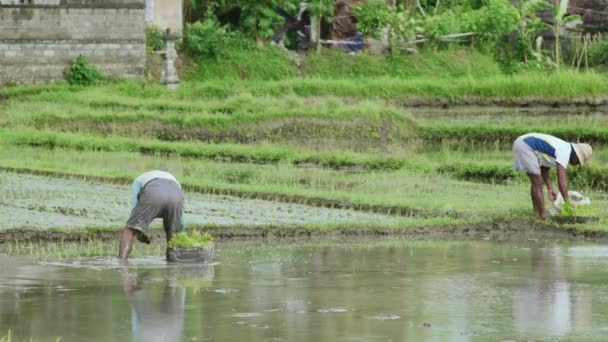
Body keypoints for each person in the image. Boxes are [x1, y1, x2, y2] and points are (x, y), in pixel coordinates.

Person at [513, 133, 592, 220]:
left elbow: (544, 169)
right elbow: (561, 181)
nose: (576, 164)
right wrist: (567, 202)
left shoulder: (563, 148)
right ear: (577, 156)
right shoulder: (565, 152)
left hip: (523, 143)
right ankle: (543, 215)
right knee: (537, 181)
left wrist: (550, 188)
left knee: (537, 181)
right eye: (579, 162)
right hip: (525, 145)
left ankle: (536, 212)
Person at [119, 170, 184, 259]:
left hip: (153, 193)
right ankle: (174, 267)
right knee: (173, 236)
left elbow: (135, 206)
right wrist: (179, 232)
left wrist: (138, 230)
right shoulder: (176, 182)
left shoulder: (139, 180)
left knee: (129, 230)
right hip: (176, 196)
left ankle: (122, 264)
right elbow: (181, 220)